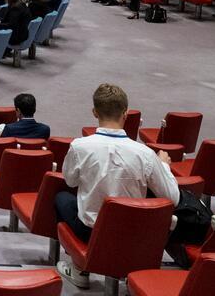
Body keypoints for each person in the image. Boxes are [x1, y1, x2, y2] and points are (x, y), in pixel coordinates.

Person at [55, 83, 178, 288]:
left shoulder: (79, 146)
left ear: (95, 112)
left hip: (91, 231)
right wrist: (164, 167)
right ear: (126, 113)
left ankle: (79, 269)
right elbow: (172, 198)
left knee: (61, 197)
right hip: (134, 231)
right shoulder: (145, 154)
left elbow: (70, 181)